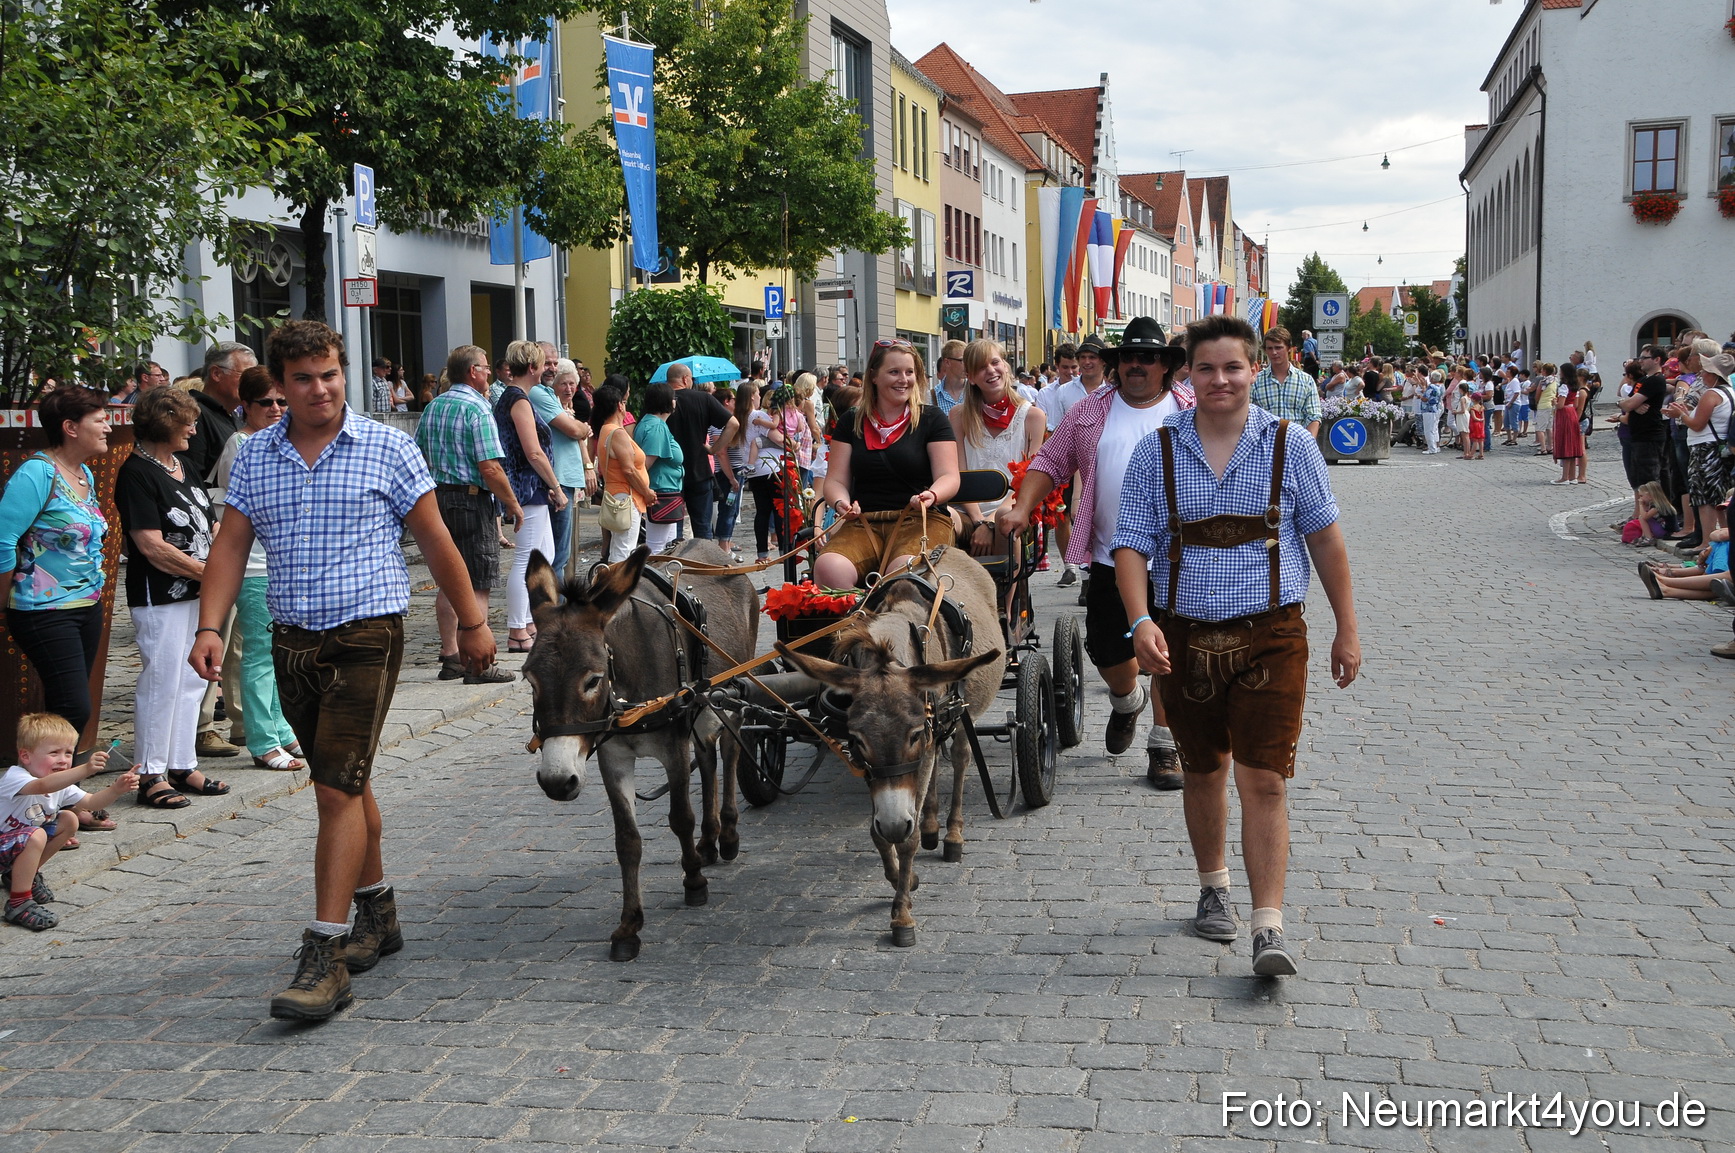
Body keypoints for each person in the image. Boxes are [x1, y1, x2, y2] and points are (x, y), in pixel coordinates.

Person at [190, 318, 498, 1022]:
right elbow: (231, 547)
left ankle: (325, 955)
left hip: (369, 631)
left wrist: (474, 623)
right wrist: (210, 627)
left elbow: (435, 537)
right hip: (292, 638)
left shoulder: (387, 447)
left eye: (329, 373)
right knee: (347, 783)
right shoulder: (257, 456)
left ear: (343, 372)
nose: (320, 388)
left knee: (332, 789)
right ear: (277, 385)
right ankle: (379, 913)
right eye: (303, 378)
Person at [1111, 314, 1360, 977]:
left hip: (1271, 634)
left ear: (1254, 369)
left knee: (1264, 779)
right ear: (1185, 375)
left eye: (1231, 366)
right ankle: (1212, 884)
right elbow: (1131, 543)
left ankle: (1267, 925)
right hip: (1182, 633)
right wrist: (1140, 621)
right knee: (1202, 769)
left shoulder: (1290, 447)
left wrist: (1347, 627)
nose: (1219, 379)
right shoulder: (1155, 450)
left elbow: (1325, 539)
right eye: (1205, 367)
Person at [998, 316, 1194, 787]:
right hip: (1110, 553)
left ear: (1166, 366)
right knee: (1109, 650)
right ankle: (1128, 701)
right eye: (1127, 356)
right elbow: (1050, 460)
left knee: (1172, 652)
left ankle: (1164, 745)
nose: (1136, 365)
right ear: (1116, 364)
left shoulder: (1190, 409)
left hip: (1179, 557)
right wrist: (1023, 506)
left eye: (1147, 357)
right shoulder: (1090, 410)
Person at [114, 386, 229, 809]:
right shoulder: (136, 473)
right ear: (164, 424)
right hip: (160, 595)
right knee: (161, 680)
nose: (194, 428)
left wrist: (218, 571)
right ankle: (150, 772)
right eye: (187, 421)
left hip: (199, 591)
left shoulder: (182, 465)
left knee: (193, 678)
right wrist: (211, 574)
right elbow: (150, 546)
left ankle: (181, 762)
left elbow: (210, 525)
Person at [0, 388, 115, 755]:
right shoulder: (37, 473)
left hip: (85, 606)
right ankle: (52, 794)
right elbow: (3, 540)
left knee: (66, 705)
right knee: (73, 708)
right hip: (44, 611)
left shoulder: (82, 474)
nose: (108, 428)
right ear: (70, 427)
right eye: (99, 420)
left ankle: (58, 793)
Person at [212, 367, 305, 771]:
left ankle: (281, 729)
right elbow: (246, 513)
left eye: (280, 401)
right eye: (265, 402)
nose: (275, 408)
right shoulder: (242, 443)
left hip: (279, 564)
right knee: (258, 656)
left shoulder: (280, 440)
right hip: (254, 565)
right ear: (245, 405)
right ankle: (262, 739)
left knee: (276, 654)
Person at [816, 340, 959, 589]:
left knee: (904, 571)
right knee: (829, 567)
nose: (903, 379)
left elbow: (949, 476)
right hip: (864, 521)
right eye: (894, 372)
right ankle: (852, 626)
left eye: (909, 372)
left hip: (921, 520)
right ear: (874, 376)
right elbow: (836, 480)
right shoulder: (851, 422)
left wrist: (932, 495)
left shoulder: (931, 419)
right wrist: (841, 503)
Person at [415, 346, 520, 684]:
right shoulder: (477, 407)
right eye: (486, 368)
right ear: (473, 371)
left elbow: (417, 455)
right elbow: (490, 467)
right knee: (477, 582)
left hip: (437, 499)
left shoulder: (434, 406)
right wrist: (512, 504)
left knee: (449, 578)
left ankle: (451, 656)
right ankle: (479, 664)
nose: (490, 373)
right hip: (472, 501)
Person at [1, 714, 136, 931]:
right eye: (54, 753)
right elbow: (42, 786)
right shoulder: (15, 777)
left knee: (69, 819)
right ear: (25, 756)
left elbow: (91, 802)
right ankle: (19, 903)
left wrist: (116, 790)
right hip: (5, 843)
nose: (63, 759)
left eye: (68, 753)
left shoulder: (62, 785)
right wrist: (85, 769)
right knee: (36, 834)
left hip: (15, 847)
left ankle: (19, 875)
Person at [187, 343, 255, 761]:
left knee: (238, 641)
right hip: (212, 534)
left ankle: (235, 719)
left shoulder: (225, 416)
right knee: (217, 637)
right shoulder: (200, 416)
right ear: (217, 374)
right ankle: (201, 727)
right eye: (243, 374)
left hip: (224, 530)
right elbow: (193, 480)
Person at [494, 341, 568, 650]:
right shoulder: (518, 400)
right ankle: (516, 630)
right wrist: (556, 487)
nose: (547, 369)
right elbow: (533, 452)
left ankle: (527, 621)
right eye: (544, 364)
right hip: (526, 486)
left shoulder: (516, 397)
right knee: (527, 559)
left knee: (545, 556)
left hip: (530, 487)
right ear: (533, 367)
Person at [951, 340, 1045, 556]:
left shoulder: (1032, 417)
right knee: (941, 519)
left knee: (1005, 518)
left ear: (1005, 366)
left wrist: (992, 523)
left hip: (1012, 509)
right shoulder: (958, 415)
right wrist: (978, 521)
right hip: (968, 509)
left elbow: (1028, 482)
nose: (990, 371)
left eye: (995, 362)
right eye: (981, 367)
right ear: (971, 378)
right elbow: (960, 474)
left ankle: (1006, 590)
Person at [529, 358, 593, 575]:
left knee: (560, 553)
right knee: (557, 555)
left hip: (566, 479)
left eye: (572, 384)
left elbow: (578, 434)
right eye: (563, 383)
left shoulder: (559, 403)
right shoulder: (540, 395)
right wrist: (582, 427)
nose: (569, 389)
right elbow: (576, 432)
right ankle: (557, 607)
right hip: (558, 479)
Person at [1664, 347, 1733, 542]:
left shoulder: (1712, 393)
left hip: (1706, 449)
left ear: (1713, 374)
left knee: (1705, 498)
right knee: (1715, 497)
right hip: (1716, 447)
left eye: (1705, 370)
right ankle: (1714, 542)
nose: (1701, 373)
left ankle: (1706, 542)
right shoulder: (1728, 391)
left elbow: (1697, 424)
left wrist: (1681, 415)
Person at [662, 362, 737, 541]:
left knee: (673, 530)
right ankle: (704, 566)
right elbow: (733, 424)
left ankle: (675, 566)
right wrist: (714, 449)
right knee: (703, 529)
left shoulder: (661, 400)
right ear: (685, 379)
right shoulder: (703, 399)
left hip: (669, 473)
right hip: (699, 470)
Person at [1034, 342, 1088, 588]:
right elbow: (1048, 428)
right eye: (1065, 367)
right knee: (1062, 514)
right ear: (1057, 366)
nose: (1071, 372)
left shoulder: (1087, 389)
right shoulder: (1047, 394)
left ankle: (1088, 566)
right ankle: (1070, 566)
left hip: (1087, 457)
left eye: (1074, 367)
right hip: (1062, 456)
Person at [594, 385, 655, 563]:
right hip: (626, 495)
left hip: (618, 493)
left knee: (619, 547)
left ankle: (614, 585)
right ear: (620, 406)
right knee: (624, 549)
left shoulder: (605, 429)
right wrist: (646, 492)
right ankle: (618, 588)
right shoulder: (617, 433)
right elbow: (629, 470)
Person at [633, 382, 685, 553]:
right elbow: (646, 464)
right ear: (667, 402)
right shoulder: (656, 427)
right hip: (661, 491)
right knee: (657, 546)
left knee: (667, 544)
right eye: (673, 398)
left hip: (664, 489)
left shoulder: (650, 423)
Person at [1250, 328, 1320, 436]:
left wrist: (1308, 445)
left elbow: (1314, 417)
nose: (1274, 352)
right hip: (1265, 447)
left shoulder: (1306, 380)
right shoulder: (1255, 381)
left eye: (1278, 348)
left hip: (1296, 445)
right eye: (1270, 348)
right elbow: (1247, 416)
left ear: (1288, 348)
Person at [1552, 362, 1587, 484]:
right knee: (1572, 443)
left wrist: (1554, 403)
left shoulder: (1564, 387)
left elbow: (1561, 405)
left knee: (1565, 442)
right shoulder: (1575, 387)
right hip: (1572, 412)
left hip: (1564, 414)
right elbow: (1576, 404)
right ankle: (1572, 477)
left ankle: (1564, 477)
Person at [932, 339, 970, 415]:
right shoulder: (932, 396)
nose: (967, 364)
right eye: (962, 360)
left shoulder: (975, 391)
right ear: (947, 362)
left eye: (969, 360)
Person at [1418, 370, 1445, 454]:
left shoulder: (1431, 387)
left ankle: (1431, 448)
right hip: (1435, 409)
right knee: (1434, 429)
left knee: (1428, 430)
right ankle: (1435, 446)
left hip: (1429, 409)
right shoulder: (1439, 387)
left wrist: (1420, 396)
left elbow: (1425, 398)